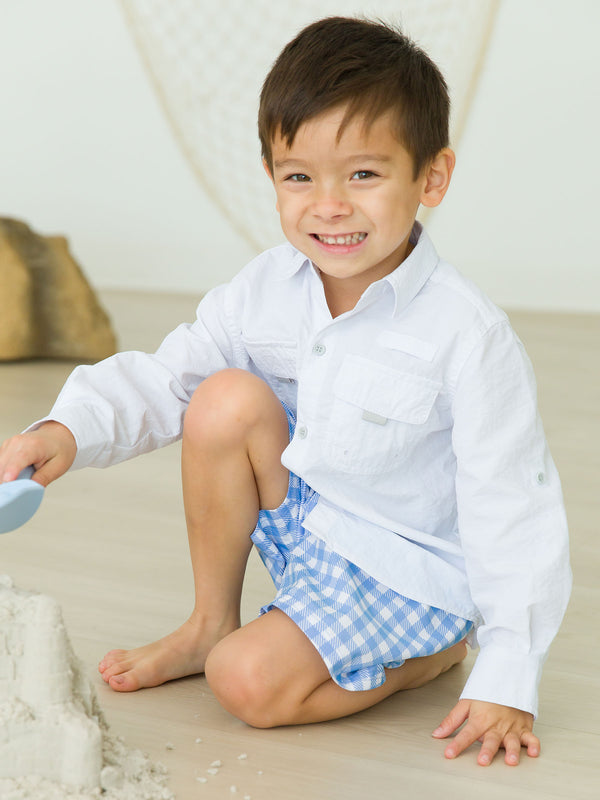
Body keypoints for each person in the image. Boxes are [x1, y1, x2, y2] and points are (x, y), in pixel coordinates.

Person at [0, 17, 570, 767]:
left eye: (363, 175)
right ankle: (209, 623)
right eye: (299, 177)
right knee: (223, 398)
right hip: (312, 526)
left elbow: (512, 505)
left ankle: (431, 653)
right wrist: (65, 429)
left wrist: (509, 672)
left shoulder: (469, 334)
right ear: (272, 175)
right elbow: (171, 376)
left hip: (404, 570)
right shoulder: (265, 289)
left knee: (247, 684)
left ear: (431, 177)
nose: (328, 206)